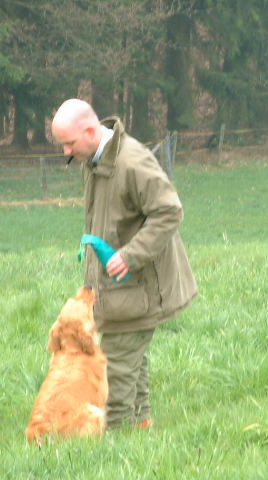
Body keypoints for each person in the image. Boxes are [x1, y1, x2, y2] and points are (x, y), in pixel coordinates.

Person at [51, 98, 197, 429]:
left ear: (90, 132)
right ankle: (140, 426)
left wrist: (129, 256)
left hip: (140, 288)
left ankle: (116, 440)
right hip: (116, 289)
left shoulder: (132, 163)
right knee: (131, 357)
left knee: (116, 367)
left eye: (69, 143)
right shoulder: (94, 161)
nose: (65, 152)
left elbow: (169, 211)